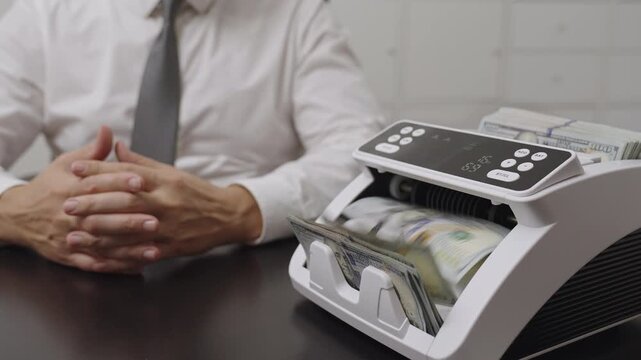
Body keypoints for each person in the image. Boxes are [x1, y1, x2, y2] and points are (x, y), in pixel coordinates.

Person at [0, 0, 385, 274]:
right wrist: (17, 210)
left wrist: (241, 209)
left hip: (241, 272)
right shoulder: (42, 13)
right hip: (74, 268)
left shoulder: (297, 13)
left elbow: (361, 153)